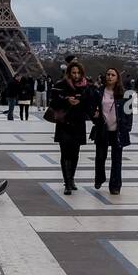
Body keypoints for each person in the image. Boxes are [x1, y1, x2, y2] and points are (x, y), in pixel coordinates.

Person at [50, 60, 97, 195]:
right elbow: (53, 101)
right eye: (73, 73)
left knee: (75, 154)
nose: (76, 75)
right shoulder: (60, 85)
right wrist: (66, 100)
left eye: (78, 73)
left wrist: (95, 117)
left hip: (78, 123)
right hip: (64, 123)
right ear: (69, 73)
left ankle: (71, 179)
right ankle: (67, 182)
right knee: (65, 153)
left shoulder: (86, 87)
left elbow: (89, 105)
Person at [93, 68, 133, 194]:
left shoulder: (126, 94)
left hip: (118, 130)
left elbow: (129, 113)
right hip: (102, 129)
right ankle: (100, 177)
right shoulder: (98, 92)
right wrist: (94, 115)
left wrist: (127, 128)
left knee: (117, 159)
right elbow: (91, 107)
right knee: (100, 157)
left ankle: (115, 185)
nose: (110, 77)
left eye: (113, 75)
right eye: (108, 74)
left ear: (117, 78)